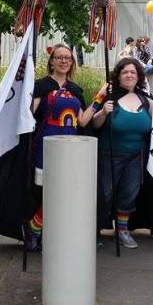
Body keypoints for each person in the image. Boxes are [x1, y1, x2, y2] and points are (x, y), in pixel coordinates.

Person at [23, 44, 99, 251]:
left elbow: (82, 121)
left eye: (68, 58)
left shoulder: (75, 90)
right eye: (59, 57)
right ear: (52, 61)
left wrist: (99, 99)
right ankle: (35, 228)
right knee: (50, 192)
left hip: (71, 148)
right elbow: (28, 115)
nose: (64, 61)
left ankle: (39, 228)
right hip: (46, 147)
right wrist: (25, 89)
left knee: (64, 192)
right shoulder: (41, 86)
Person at [91, 58, 152, 249]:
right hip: (109, 155)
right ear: (118, 76)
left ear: (138, 76)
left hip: (136, 156)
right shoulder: (109, 98)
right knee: (105, 194)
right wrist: (102, 113)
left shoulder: (146, 100)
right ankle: (94, 231)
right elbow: (93, 124)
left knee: (129, 193)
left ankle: (122, 230)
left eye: (133, 72)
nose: (129, 75)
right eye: (125, 72)